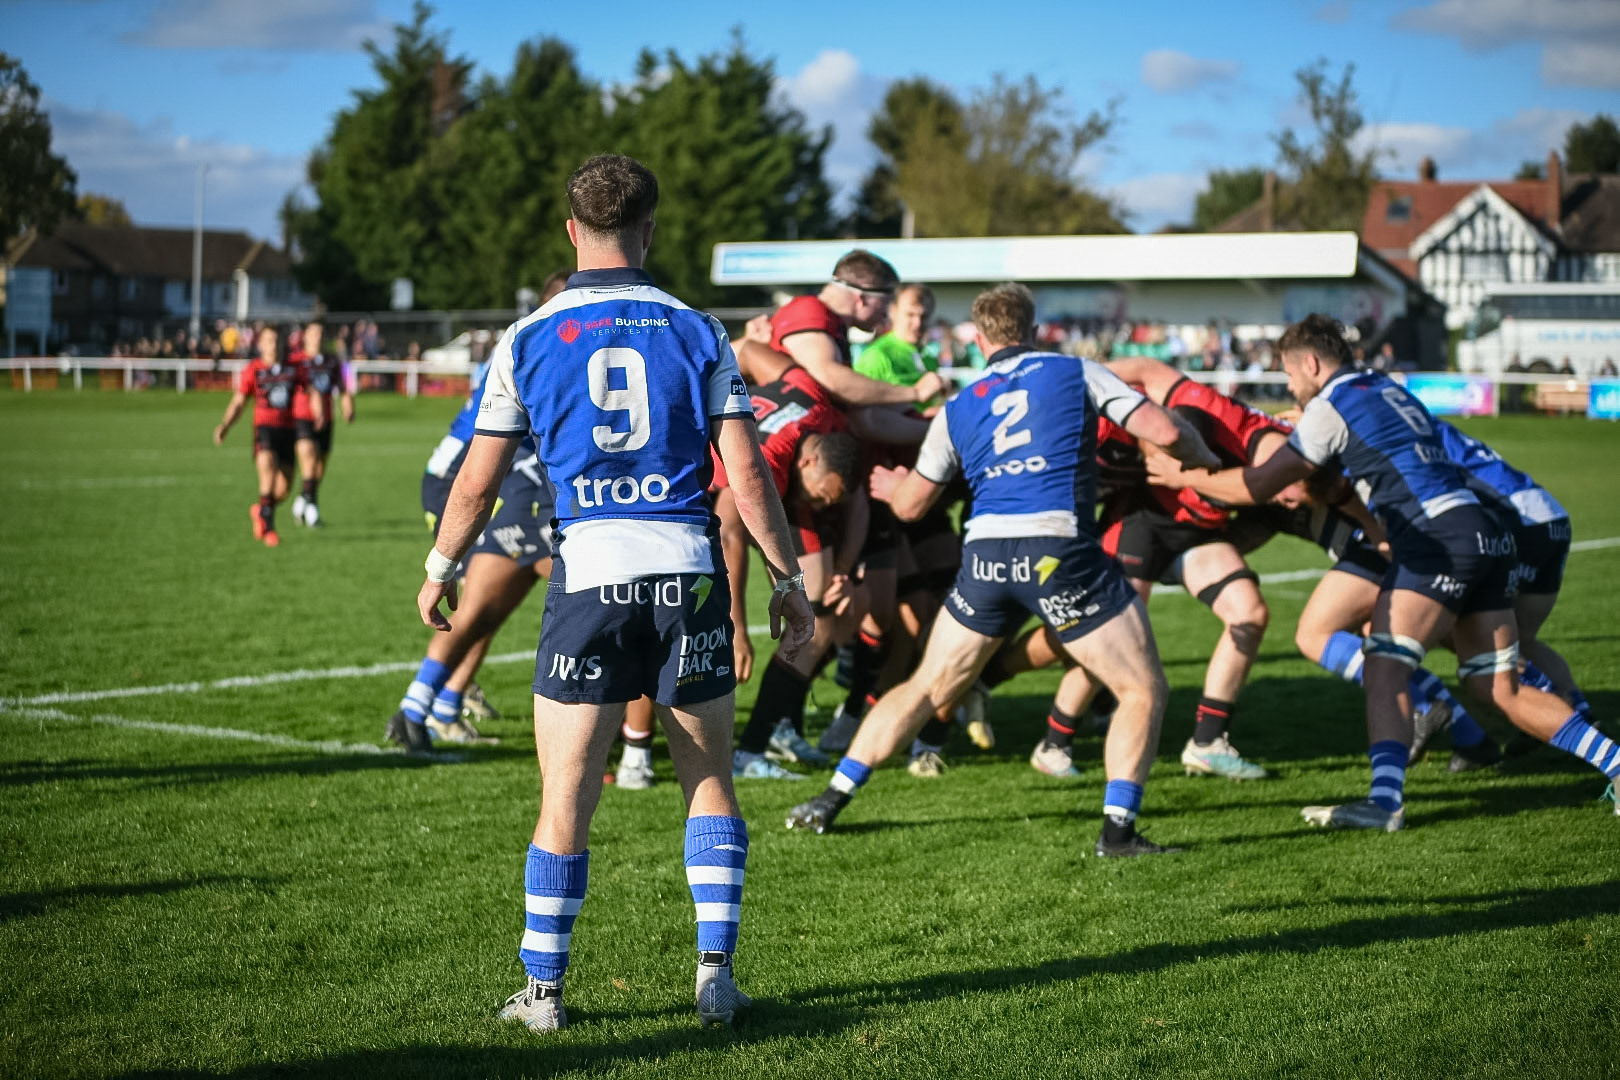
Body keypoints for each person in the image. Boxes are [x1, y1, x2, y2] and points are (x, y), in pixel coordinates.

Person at [415, 154, 815, 1032]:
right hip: (688, 569)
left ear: (572, 231)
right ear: (651, 229)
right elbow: (745, 472)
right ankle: (716, 976)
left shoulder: (525, 336)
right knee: (708, 781)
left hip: (591, 576)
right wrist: (789, 581)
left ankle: (545, 994)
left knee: (567, 795)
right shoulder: (701, 329)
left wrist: (442, 568)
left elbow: (476, 486)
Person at [784, 282, 1221, 856]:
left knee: (925, 686)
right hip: (1056, 549)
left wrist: (893, 488)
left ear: (982, 339)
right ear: (1034, 330)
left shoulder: (960, 405)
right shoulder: (1075, 371)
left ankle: (830, 799)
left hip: (985, 556)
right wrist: (1202, 456)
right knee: (1141, 687)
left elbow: (913, 504)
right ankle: (1117, 831)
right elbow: (1164, 432)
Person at [1182, 313, 1618, 830]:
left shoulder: (1331, 404)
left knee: (1386, 662)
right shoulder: (1387, 388)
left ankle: (1385, 802)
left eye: (1289, 375)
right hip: (1484, 534)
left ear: (1312, 363)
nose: (1291, 387)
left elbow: (1262, 484)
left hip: (1433, 540)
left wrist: (1184, 473)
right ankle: (1614, 762)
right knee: (1499, 687)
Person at [712, 370, 865, 778]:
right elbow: (729, 529)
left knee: (823, 619)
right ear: (811, 461)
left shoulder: (819, 407)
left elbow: (755, 353)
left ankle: (779, 728)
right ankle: (748, 750)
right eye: (822, 494)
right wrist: (737, 628)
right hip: (704, 495)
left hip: (765, 494)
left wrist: (844, 570)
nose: (822, 503)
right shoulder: (776, 459)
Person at [213, 325, 320, 548]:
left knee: (283, 490)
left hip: (288, 431)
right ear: (260, 344)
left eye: (277, 340)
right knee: (267, 473)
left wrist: (318, 411)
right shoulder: (253, 370)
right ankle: (269, 529)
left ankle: (261, 509)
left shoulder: (293, 368)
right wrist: (225, 425)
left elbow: (311, 390)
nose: (273, 345)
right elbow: (239, 402)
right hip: (264, 430)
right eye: (269, 340)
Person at [290, 322, 356, 528]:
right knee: (309, 462)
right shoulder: (296, 361)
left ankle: (302, 500)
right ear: (305, 336)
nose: (318, 336)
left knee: (319, 467)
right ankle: (312, 511)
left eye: (321, 332)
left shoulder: (330, 361)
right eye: (313, 332)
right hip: (301, 418)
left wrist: (348, 407)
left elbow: (342, 388)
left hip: (327, 420)